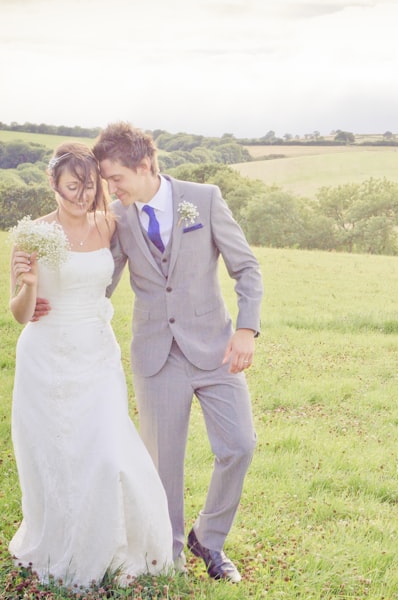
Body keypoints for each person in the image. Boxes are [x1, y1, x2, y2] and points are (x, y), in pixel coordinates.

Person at [93, 122, 262, 583]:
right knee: (163, 464)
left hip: (216, 347)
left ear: (144, 164)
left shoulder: (203, 198)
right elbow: (104, 280)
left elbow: (245, 266)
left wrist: (246, 329)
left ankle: (208, 537)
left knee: (240, 445)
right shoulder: (119, 216)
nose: (111, 188)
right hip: (156, 356)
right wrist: (65, 304)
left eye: (115, 178)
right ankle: (167, 560)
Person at [8, 143, 173, 591]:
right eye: (70, 188)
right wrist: (28, 284)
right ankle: (62, 540)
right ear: (53, 185)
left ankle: (115, 545)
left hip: (97, 353)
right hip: (46, 356)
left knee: (105, 450)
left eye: (88, 187)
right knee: (58, 454)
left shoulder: (110, 223)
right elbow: (20, 313)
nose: (81, 197)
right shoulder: (33, 233)